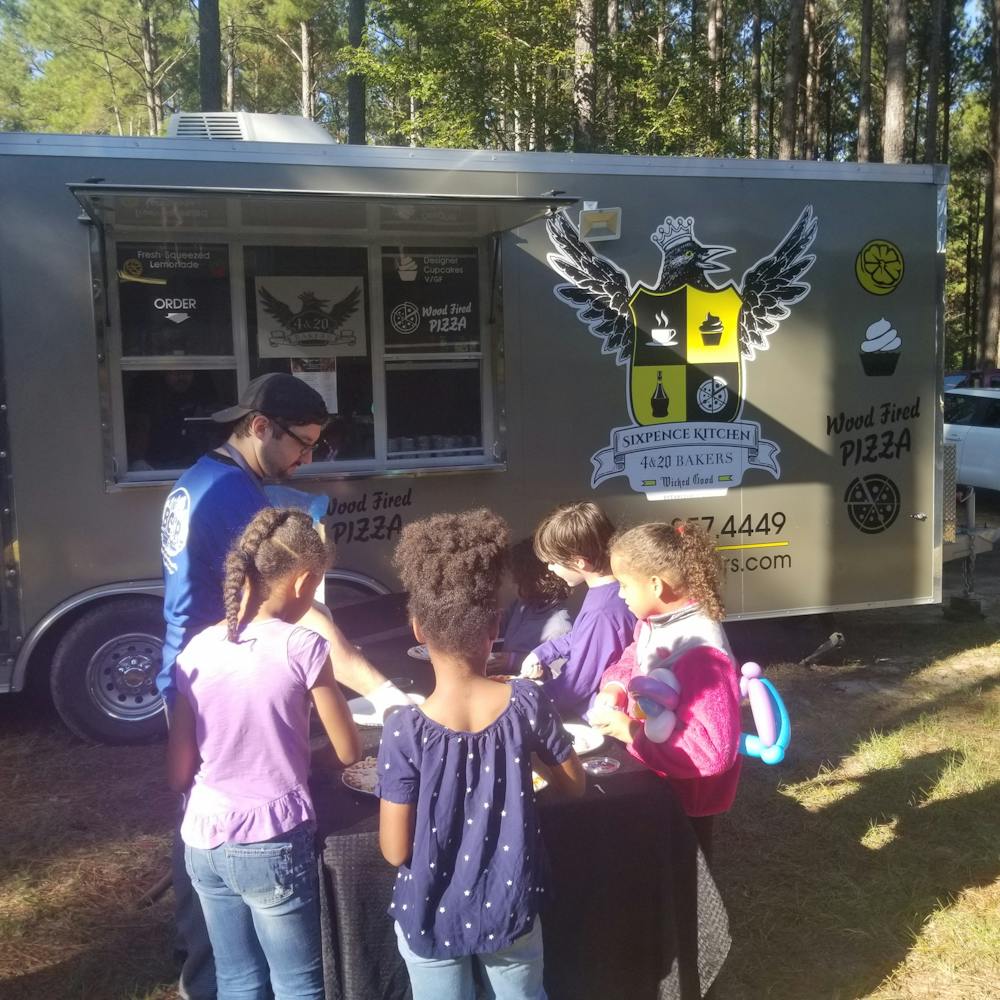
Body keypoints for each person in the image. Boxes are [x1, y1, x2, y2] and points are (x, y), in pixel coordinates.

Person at [159, 371, 409, 999]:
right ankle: (212, 976)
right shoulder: (235, 498)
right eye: (303, 443)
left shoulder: (198, 479)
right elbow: (308, 615)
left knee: (206, 823)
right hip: (229, 680)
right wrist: (383, 693)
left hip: (195, 674)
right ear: (260, 427)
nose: (307, 459)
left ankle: (210, 969)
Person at [377, 509, 586, 1000]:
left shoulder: (404, 730)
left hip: (431, 914)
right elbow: (574, 786)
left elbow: (394, 850)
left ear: (417, 631)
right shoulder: (527, 704)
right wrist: (520, 757)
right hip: (510, 907)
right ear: (496, 626)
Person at [168, 508, 361, 1000]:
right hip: (272, 841)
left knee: (236, 978)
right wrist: (297, 760)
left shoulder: (195, 650)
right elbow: (347, 749)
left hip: (203, 841)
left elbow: (178, 773)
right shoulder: (304, 646)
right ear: (302, 583)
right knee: (298, 983)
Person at [588, 521, 742, 862]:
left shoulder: (702, 653)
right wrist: (615, 688)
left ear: (655, 585)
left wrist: (628, 731)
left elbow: (711, 753)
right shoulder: (654, 621)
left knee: (688, 872)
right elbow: (635, 656)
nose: (620, 594)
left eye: (624, 585)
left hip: (689, 793)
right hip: (658, 774)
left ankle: (696, 915)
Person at [518, 502, 635, 719]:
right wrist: (542, 652)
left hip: (596, 721)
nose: (550, 568)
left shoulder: (602, 611)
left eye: (553, 562)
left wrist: (524, 699)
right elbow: (582, 636)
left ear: (579, 562)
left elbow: (575, 686)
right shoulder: (608, 592)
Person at [499, 538, 572, 671]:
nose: (513, 584)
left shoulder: (560, 627)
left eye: (518, 579)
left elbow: (556, 673)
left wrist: (513, 661)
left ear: (536, 581)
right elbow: (500, 625)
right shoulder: (522, 605)